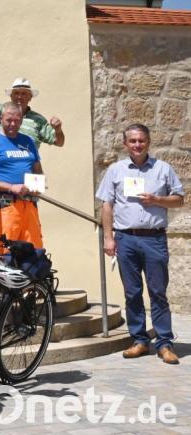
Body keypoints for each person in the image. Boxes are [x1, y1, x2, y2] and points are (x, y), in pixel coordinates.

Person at [96, 124, 184, 365]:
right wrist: (108, 237)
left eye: (141, 141)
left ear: (148, 142)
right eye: (132, 141)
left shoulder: (163, 169)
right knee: (132, 293)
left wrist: (157, 199)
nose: (137, 145)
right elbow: (107, 206)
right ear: (126, 144)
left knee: (158, 292)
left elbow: (179, 200)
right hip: (126, 238)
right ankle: (139, 340)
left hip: (154, 238)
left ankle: (164, 343)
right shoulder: (115, 170)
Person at [0, 102, 44, 255]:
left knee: (33, 253)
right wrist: (11, 187)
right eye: (9, 120)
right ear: (1, 119)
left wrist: (38, 186)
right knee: (5, 255)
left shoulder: (28, 141)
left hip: (29, 205)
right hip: (6, 206)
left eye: (17, 120)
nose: (13, 124)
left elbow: (38, 172)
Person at [0, 55, 65, 149]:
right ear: (11, 96)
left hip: (28, 163)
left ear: (30, 97)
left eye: (24, 93)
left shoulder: (38, 120)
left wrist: (58, 130)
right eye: (16, 93)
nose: (19, 96)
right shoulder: (1, 111)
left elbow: (59, 142)